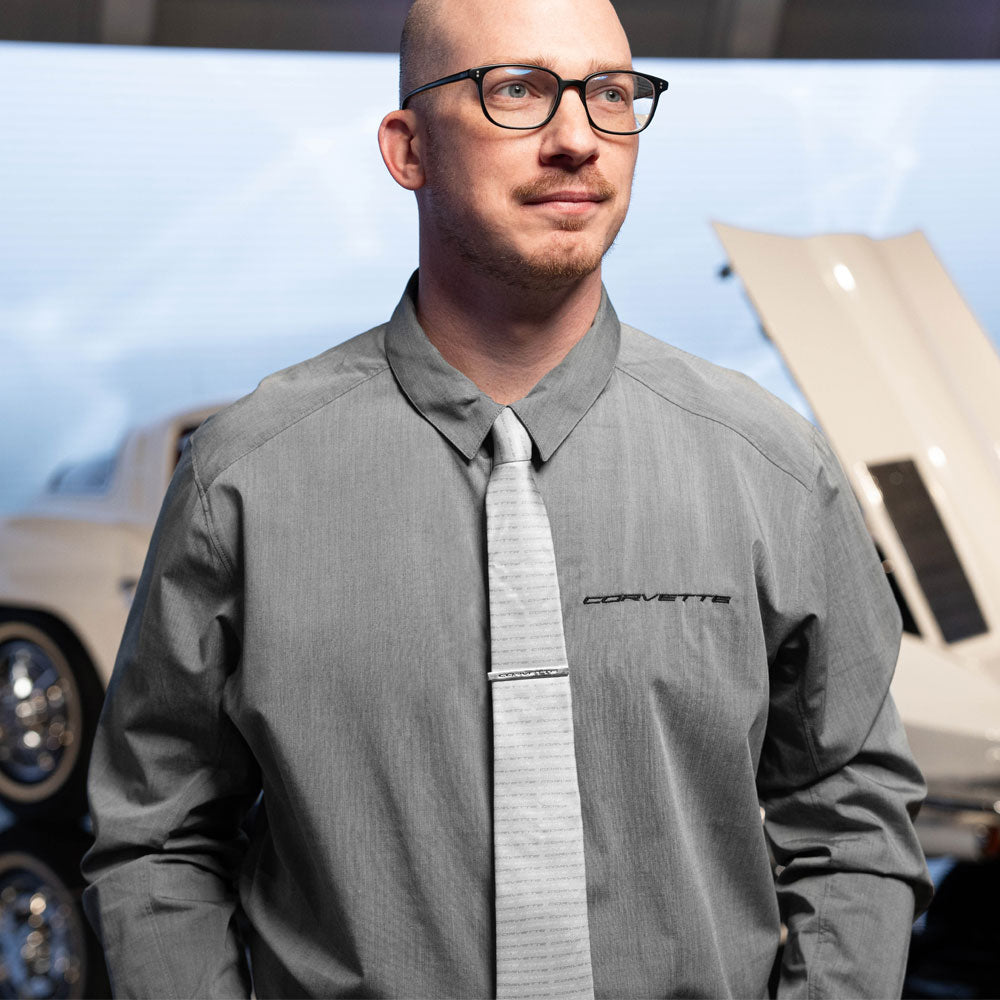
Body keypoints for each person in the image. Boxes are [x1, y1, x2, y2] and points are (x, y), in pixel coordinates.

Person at [81, 0, 934, 996]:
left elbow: (853, 814)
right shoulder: (243, 478)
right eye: (518, 91)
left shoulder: (774, 472)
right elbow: (156, 836)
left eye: (610, 94)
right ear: (407, 149)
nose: (578, 139)